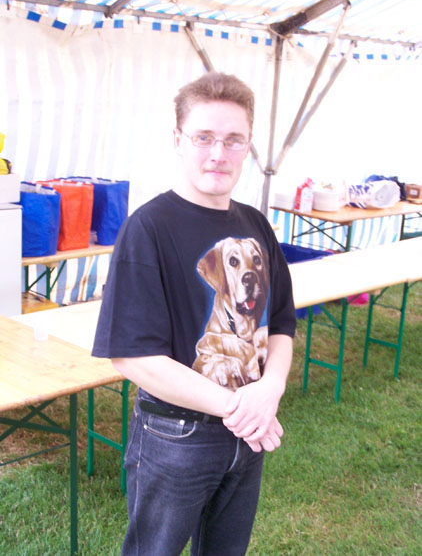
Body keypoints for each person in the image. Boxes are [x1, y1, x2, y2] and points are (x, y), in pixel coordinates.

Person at [92, 72, 296, 556]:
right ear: (178, 140)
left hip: (246, 435)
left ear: (248, 146)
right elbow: (132, 356)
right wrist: (240, 408)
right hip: (175, 437)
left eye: (233, 140)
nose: (218, 154)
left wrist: (270, 388)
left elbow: (281, 323)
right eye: (203, 137)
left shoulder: (255, 225)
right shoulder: (148, 228)